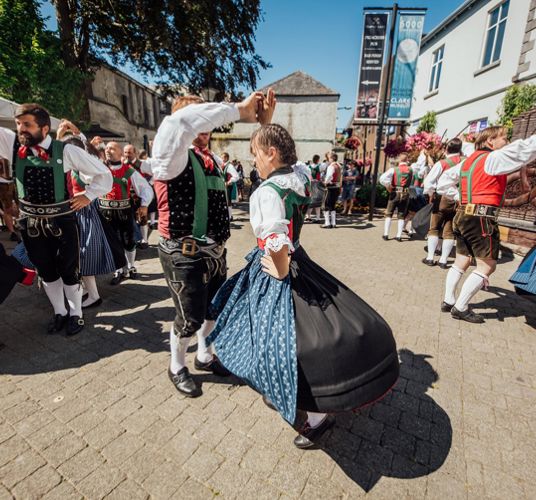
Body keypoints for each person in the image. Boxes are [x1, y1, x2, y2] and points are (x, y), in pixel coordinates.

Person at [207, 124, 399, 449]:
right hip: (300, 258)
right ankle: (282, 389)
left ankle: (315, 417)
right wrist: (267, 124)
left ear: (271, 153)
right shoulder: (299, 179)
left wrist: (280, 272)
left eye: (255, 153)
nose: (252, 160)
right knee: (279, 336)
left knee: (285, 340)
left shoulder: (267, 192)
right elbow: (292, 167)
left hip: (279, 269)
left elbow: (276, 242)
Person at [140, 90, 275, 397]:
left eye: (208, 116)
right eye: (200, 116)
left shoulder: (212, 159)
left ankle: (204, 355)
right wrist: (239, 110)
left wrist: (263, 124)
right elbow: (180, 124)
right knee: (189, 318)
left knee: (213, 310)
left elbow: (263, 161)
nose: (205, 124)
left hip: (214, 251)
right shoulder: (170, 154)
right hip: (183, 252)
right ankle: (176, 366)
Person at [0, 103, 112, 335]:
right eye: (19, 124)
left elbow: (104, 174)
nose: (21, 129)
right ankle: (59, 312)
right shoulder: (12, 146)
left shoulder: (67, 151)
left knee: (69, 271)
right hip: (30, 224)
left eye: (27, 125)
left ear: (44, 128)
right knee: (46, 271)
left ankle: (76, 315)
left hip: (61, 222)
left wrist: (88, 195)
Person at [438, 126, 536, 323]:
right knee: (488, 265)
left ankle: (448, 300)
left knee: (462, 260)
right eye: (504, 138)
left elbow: (442, 182)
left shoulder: (467, 162)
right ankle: (461, 307)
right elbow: (524, 150)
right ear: (490, 141)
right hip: (481, 218)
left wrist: (462, 197)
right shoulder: (493, 159)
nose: (507, 142)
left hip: (463, 215)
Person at [56, 121, 127, 308]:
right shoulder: (70, 164)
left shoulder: (83, 170)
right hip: (73, 213)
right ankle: (86, 291)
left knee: (84, 255)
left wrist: (87, 195)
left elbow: (99, 180)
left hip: (83, 214)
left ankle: (94, 295)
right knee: (78, 255)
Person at [100, 141, 153, 285]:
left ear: (120, 153)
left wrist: (144, 205)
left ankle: (130, 267)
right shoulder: (99, 168)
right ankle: (118, 269)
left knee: (128, 241)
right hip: (106, 213)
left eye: (112, 148)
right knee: (113, 243)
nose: (108, 150)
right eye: (107, 148)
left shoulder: (129, 171)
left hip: (124, 211)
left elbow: (145, 188)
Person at [422, 138, 464, 268]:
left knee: (434, 228)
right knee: (449, 230)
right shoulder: (466, 162)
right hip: (459, 200)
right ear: (460, 149)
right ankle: (443, 260)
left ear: (446, 149)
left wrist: (430, 194)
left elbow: (429, 182)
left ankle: (430, 257)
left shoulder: (442, 163)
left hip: (442, 197)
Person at [380, 153, 413, 241]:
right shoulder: (411, 170)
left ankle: (386, 234)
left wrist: (388, 186)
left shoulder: (393, 169)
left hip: (395, 192)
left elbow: (382, 179)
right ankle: (398, 236)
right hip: (405, 193)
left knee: (389, 213)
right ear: (407, 160)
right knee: (401, 215)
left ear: (399, 160)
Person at [0, 158, 20, 242]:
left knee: (21, 205)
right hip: (2, 183)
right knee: (7, 208)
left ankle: (21, 226)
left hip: (16, 180)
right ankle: (12, 232)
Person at [321, 152, 342, 228]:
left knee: (326, 204)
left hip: (331, 187)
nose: (328, 159)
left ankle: (327, 223)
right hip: (337, 187)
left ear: (332, 158)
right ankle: (333, 223)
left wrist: (325, 182)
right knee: (332, 205)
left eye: (329, 158)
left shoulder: (331, 166)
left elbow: (329, 176)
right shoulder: (339, 166)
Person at [305, 154, 323, 223]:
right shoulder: (319, 167)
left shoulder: (308, 167)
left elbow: (308, 176)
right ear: (318, 160)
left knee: (311, 200)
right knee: (317, 201)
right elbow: (319, 177)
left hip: (310, 184)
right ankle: (318, 217)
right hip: (317, 184)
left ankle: (308, 216)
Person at [221, 153, 239, 220]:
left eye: (224, 157)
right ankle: (227, 216)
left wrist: (229, 182)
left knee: (228, 201)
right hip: (224, 186)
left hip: (229, 186)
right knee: (225, 201)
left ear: (227, 158)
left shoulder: (229, 166)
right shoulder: (223, 165)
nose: (222, 159)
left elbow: (236, 176)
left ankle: (229, 216)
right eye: (222, 157)